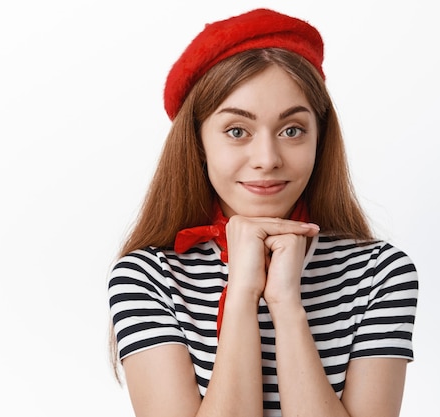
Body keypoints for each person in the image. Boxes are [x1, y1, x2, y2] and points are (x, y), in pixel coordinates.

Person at [108, 8, 418, 417]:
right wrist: (242, 292)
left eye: (292, 130)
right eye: (237, 131)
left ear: (320, 138)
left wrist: (286, 302)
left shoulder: (380, 272)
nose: (267, 158)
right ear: (197, 142)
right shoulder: (149, 276)